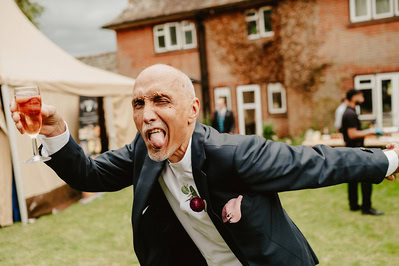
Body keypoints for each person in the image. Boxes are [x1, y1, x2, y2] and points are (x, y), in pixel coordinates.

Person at [11, 65, 399, 265]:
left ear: (192, 110)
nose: (147, 114)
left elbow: (316, 163)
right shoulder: (142, 153)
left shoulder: (234, 153)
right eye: (138, 103)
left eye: (160, 100)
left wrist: (390, 159)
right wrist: (57, 130)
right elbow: (89, 174)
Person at [341, 89, 384, 215]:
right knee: (367, 177)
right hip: (356, 150)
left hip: (351, 149)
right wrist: (371, 132)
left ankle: (354, 205)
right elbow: (352, 134)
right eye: (360, 96)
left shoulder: (349, 112)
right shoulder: (350, 113)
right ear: (353, 97)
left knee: (352, 179)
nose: (363, 98)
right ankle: (366, 208)